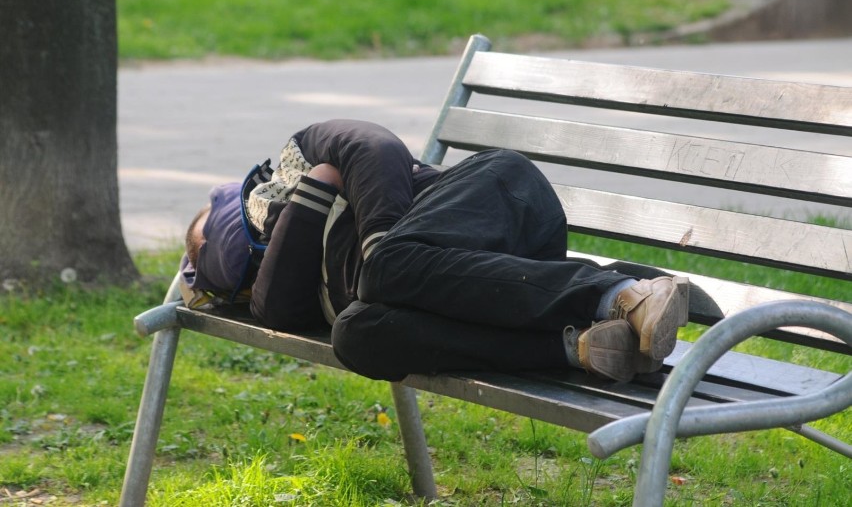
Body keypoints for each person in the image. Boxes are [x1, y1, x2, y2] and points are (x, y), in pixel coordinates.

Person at [180, 120, 688, 383]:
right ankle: (585, 348)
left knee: (384, 269)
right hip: (500, 291)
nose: (213, 248)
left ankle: (621, 292)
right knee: (356, 335)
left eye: (209, 236)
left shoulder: (300, 158)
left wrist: (376, 244)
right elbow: (277, 312)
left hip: (502, 197)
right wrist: (320, 192)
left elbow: (374, 144)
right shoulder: (297, 280)